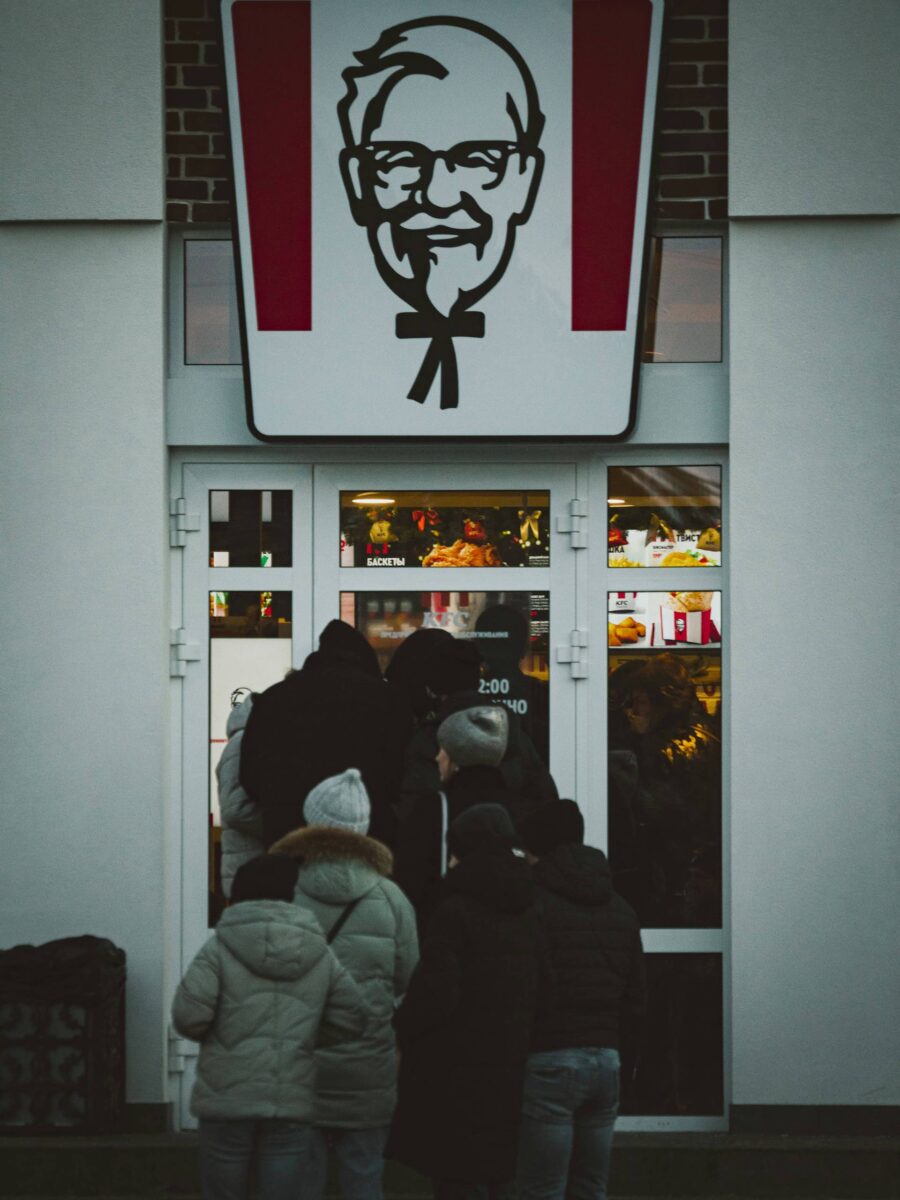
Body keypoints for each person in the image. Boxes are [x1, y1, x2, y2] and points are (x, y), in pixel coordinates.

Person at [337, 16, 545, 409]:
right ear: (357, 183)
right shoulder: (337, 340)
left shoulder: (547, 335)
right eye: (400, 159)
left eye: (478, 159)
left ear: (525, 180)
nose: (439, 196)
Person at [171, 854, 368, 1200]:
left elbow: (189, 1016)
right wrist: (304, 1038)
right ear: (289, 894)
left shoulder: (218, 947)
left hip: (226, 1098)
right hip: (287, 1097)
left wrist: (223, 1038)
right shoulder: (318, 952)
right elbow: (354, 1017)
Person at [270, 769, 419, 1200]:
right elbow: (411, 977)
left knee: (302, 1178)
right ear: (364, 828)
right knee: (364, 1172)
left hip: (299, 1063)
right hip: (368, 1062)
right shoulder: (391, 899)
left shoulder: (283, 889)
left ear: (309, 822)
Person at [387, 804, 545, 1200]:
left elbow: (436, 993)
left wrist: (402, 1026)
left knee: (456, 1172)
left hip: (456, 1065)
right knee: (497, 1170)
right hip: (510, 1060)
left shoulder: (454, 910)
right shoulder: (530, 908)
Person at [516, 800, 646, 1200]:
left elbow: (524, 986)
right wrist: (630, 1057)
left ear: (535, 848)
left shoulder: (532, 905)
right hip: (606, 1060)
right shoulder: (620, 908)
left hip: (551, 1059)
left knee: (543, 1188)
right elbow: (636, 996)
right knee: (591, 1187)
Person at [239, 620, 410, 848]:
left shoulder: (274, 699)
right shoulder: (389, 700)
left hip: (289, 838)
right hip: (367, 838)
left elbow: (250, 778)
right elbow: (401, 775)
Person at [394, 703, 525, 929]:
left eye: (444, 749)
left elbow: (410, 878)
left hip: (447, 933)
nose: (437, 757)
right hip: (513, 940)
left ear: (458, 760)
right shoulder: (519, 808)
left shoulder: (433, 808)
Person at [216, 689, 263, 898]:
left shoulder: (244, 741)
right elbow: (236, 810)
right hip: (250, 870)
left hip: (247, 868)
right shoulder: (242, 743)